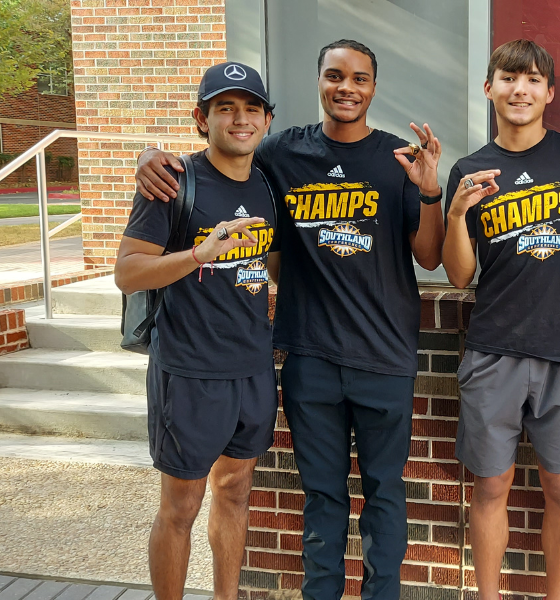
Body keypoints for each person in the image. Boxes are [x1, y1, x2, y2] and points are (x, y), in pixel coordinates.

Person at [133, 39, 445, 600]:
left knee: (384, 495)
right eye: (335, 75)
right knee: (321, 499)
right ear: (319, 82)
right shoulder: (281, 154)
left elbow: (428, 256)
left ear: (374, 87)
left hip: (383, 356)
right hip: (308, 356)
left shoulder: (398, 157)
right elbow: (220, 158)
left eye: (359, 78)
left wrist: (430, 193)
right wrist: (148, 154)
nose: (346, 87)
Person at [441, 39, 560, 600]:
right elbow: (459, 276)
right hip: (493, 349)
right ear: (489, 88)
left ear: (549, 92)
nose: (519, 89)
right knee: (490, 487)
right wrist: (457, 214)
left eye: (532, 79)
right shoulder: (468, 171)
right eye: (508, 77)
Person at [114, 61, 278, 600]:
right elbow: (127, 272)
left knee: (235, 492)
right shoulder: (172, 182)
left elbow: (273, 265)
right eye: (224, 108)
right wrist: (198, 254)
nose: (239, 119)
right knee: (181, 506)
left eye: (251, 108)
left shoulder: (268, 183)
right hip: (188, 370)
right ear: (201, 119)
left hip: (252, 369)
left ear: (267, 120)